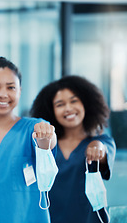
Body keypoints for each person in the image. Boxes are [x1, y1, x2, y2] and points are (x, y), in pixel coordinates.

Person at [30, 75, 116, 223]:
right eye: (60, 104)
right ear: (51, 111)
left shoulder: (102, 141)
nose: (68, 108)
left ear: (86, 104)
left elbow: (102, 151)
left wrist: (97, 148)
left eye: (74, 101)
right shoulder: (46, 146)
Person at [0, 56, 57, 223]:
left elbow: (48, 142)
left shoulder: (34, 128)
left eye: (11, 87)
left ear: (20, 91)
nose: (2, 94)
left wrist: (46, 137)